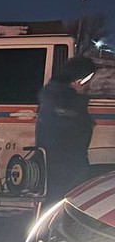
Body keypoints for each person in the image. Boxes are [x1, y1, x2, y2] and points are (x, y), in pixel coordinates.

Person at [36, 56, 96, 200]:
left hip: (69, 159)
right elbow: (73, 126)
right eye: (87, 80)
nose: (89, 85)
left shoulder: (57, 94)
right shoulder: (60, 96)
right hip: (62, 161)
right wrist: (80, 98)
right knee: (61, 199)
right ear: (77, 79)